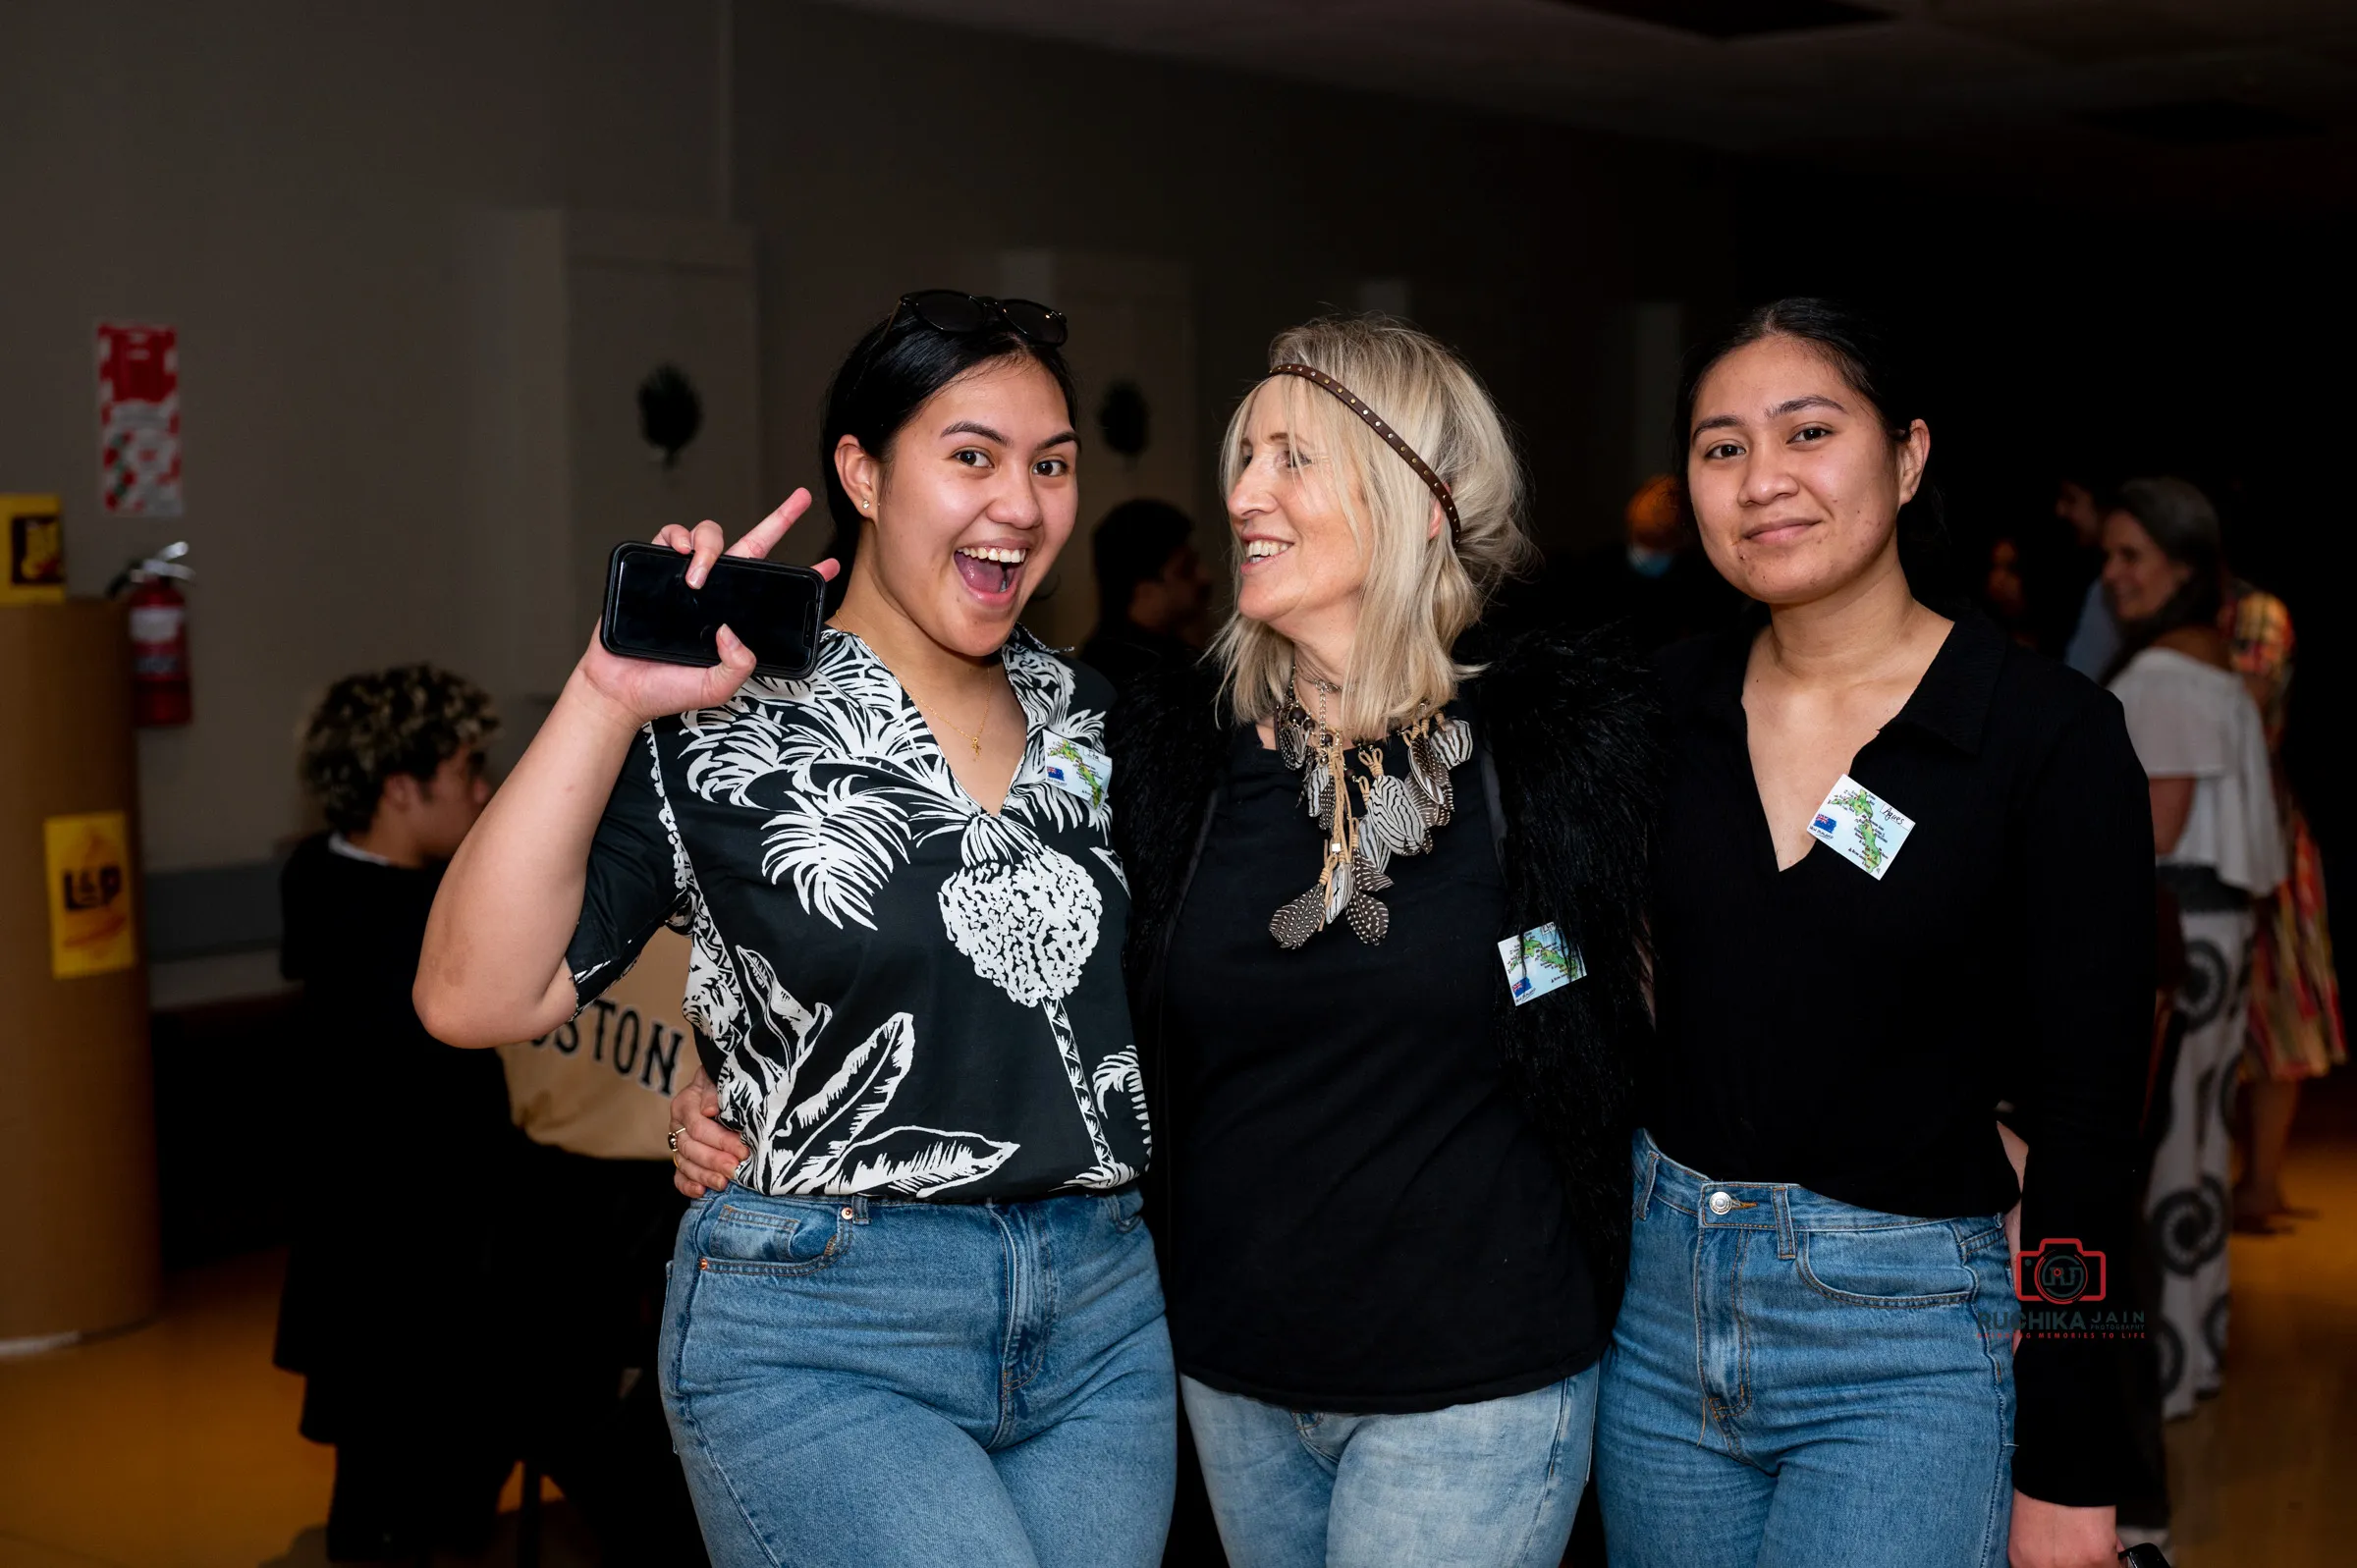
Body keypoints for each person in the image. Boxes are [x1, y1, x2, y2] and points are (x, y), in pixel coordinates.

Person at [414, 290, 1173, 1568]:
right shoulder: (723, 716)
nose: (1023, 502)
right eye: (972, 455)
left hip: (1101, 1323)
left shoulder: (1105, 719)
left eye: (1052, 465)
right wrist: (607, 695)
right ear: (862, 474)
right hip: (826, 1324)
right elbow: (472, 995)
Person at [1599, 299, 2156, 1568]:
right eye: (1722, 447)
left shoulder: (2040, 735)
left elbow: (2085, 1129)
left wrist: (2071, 1463)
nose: (1763, 479)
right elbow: (1565, 965)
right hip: (1658, 1331)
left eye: (1809, 432)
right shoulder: (1654, 709)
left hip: (1906, 1346)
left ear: (1907, 458)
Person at [1108, 317, 1657, 1568]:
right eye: (1246, 458)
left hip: (1477, 1383)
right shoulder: (1168, 762)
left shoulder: (1556, 759)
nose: (1243, 495)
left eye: (1293, 458)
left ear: (1418, 498)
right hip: (1236, 1377)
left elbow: (1694, 986)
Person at [273, 665, 516, 1562]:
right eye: (466, 769)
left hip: (369, 1238)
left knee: (375, 1467)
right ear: (400, 787)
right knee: (418, 1477)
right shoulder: (407, 915)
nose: (482, 790)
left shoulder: (317, 875)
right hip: (407, 1240)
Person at [2099, 476, 2284, 1419]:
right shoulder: (2211, 660)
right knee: (2200, 1149)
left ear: (2180, 566)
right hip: (2218, 931)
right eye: (2109, 554)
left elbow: (2154, 830)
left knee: (2169, 1154)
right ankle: (2190, 1357)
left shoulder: (2167, 673)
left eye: (2131, 555)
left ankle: (2164, 1376)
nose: (2112, 573)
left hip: (2179, 934)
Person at [493, 926, 709, 1566]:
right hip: (642, 1184)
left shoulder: (536, 910)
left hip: (562, 1178)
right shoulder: (710, 914)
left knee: (569, 1388)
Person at [2220, 574, 2344, 1228]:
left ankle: (2260, 1179)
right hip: (2240, 826)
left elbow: (2246, 711)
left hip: (2258, 828)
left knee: (2277, 1001)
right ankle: (2249, 1181)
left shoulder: (2255, 613)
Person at [1556, 473, 1742, 651]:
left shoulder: (1702, 579)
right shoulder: (1597, 571)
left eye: (1663, 541)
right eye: (1646, 540)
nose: (1652, 553)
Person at [1078, 497, 1211, 692]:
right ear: (1144, 589)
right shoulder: (1129, 674)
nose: (1204, 577)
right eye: (1186, 570)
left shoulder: (1173, 653)